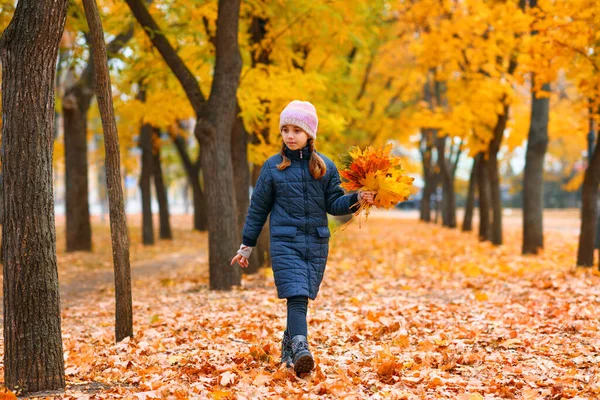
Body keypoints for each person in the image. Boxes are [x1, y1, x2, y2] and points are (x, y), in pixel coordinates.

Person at [230, 100, 375, 376]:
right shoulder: (273, 168)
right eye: (285, 130)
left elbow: (334, 205)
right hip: (285, 243)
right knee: (296, 295)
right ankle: (300, 347)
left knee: (302, 298)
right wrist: (246, 246)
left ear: (310, 134)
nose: (290, 135)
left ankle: (287, 349)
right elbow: (258, 209)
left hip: (316, 244)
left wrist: (357, 199)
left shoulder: (325, 168)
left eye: (297, 129)